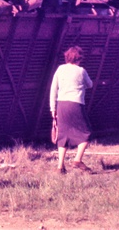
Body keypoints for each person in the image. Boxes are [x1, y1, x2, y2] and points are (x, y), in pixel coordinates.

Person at [49, 46, 93, 174]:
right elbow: (90, 84)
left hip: (61, 105)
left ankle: (60, 166)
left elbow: (53, 90)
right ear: (79, 58)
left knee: (62, 135)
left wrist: (53, 109)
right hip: (76, 104)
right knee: (86, 132)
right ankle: (77, 159)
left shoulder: (60, 69)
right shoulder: (81, 71)